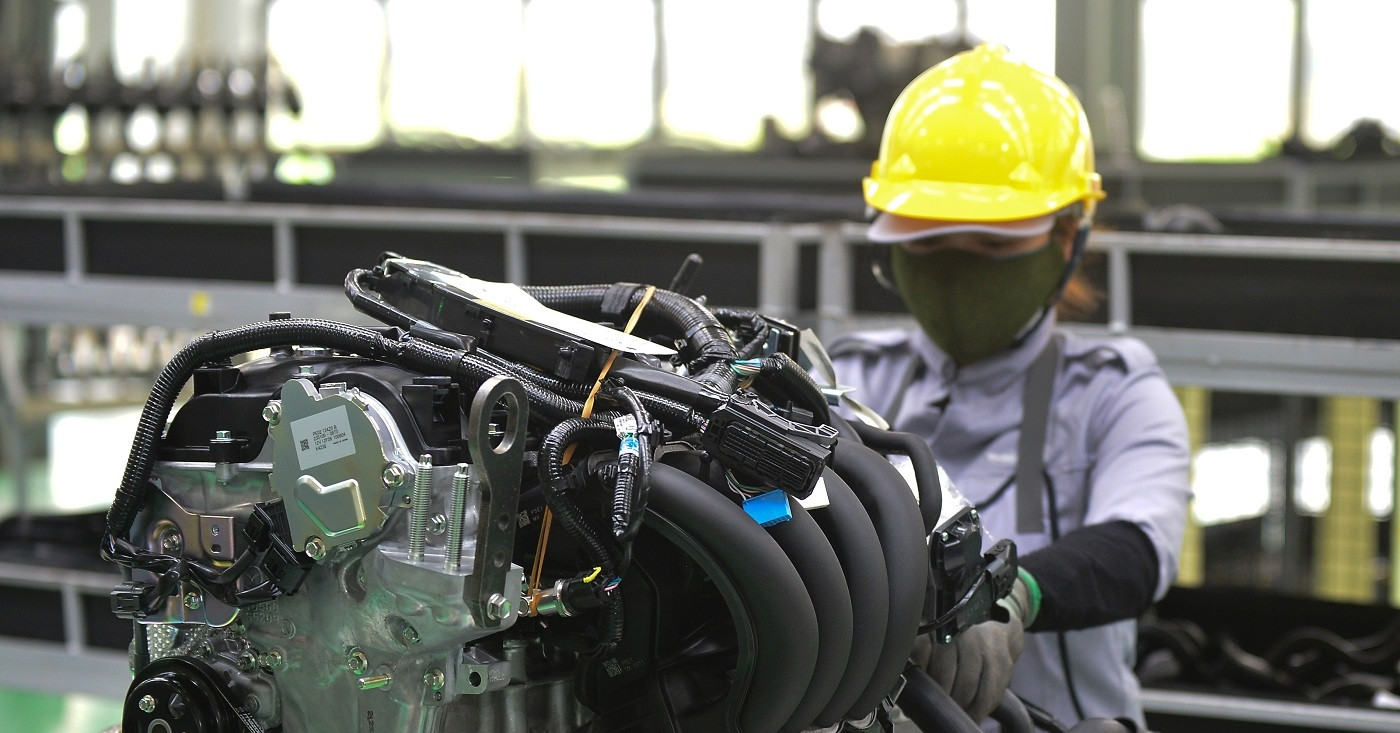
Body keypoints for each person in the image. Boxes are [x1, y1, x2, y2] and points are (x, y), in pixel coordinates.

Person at [825, 44, 1191, 727]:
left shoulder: (1115, 391)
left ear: (1069, 235)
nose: (958, 268)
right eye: (928, 241)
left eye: (993, 245)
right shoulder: (847, 378)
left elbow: (1138, 548)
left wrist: (1013, 592)